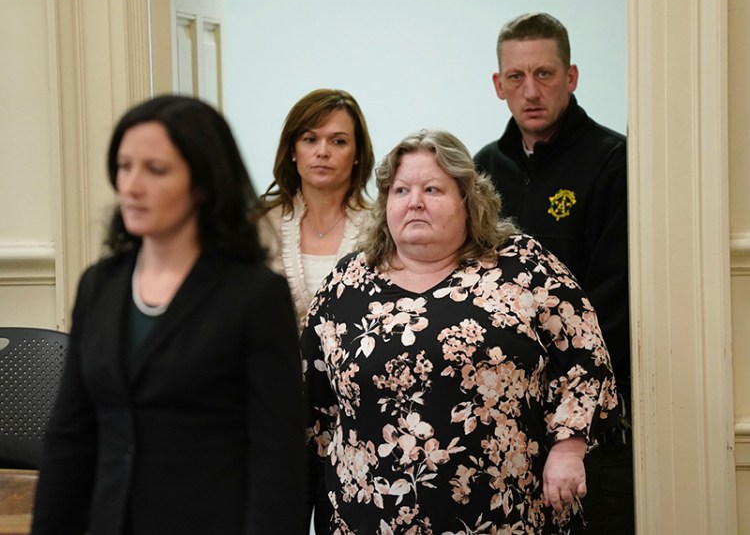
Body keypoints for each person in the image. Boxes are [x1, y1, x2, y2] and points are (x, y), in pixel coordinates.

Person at [302, 129, 619, 534]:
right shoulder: (346, 283)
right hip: (368, 518)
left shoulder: (524, 267)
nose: (414, 202)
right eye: (401, 191)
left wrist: (568, 446)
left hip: (505, 515)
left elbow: (588, 361)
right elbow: (312, 409)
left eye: (432, 189)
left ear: (468, 202)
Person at [31, 95, 306, 534]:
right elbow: (71, 437)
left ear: (201, 182)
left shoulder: (254, 296)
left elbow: (279, 461)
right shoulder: (99, 285)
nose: (131, 186)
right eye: (124, 167)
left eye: (155, 170)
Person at [473, 12, 632, 533]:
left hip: (586, 414)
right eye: (516, 77)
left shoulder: (613, 161)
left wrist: (566, 398)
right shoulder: (482, 170)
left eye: (545, 73)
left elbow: (613, 294)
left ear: (572, 77)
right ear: (499, 85)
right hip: (502, 408)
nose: (531, 90)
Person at [258, 89, 374, 328]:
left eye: (338, 141)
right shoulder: (259, 222)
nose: (322, 152)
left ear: (357, 154)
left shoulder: (381, 226)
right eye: (310, 139)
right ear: (292, 150)